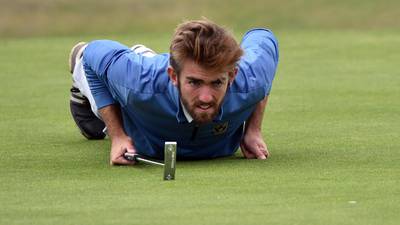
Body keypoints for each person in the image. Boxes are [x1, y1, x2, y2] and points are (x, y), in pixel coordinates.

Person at [68, 19, 279, 165]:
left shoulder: (250, 79)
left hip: (154, 75)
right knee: (92, 68)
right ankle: (86, 81)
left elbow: (263, 36)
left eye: (216, 83)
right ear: (174, 76)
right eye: (194, 83)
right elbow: (94, 53)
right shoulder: (139, 83)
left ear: (231, 77)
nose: (206, 97)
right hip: (138, 105)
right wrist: (117, 135)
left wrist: (253, 130)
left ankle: (145, 55)